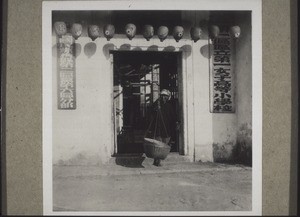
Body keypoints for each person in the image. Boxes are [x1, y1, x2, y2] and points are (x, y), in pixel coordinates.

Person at [147, 89, 180, 166]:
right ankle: (157, 160)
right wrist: (156, 108)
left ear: (168, 97)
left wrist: (177, 122)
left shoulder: (169, 106)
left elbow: (173, 116)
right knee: (158, 145)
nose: (163, 98)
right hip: (158, 128)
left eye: (165, 96)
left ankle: (159, 159)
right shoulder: (156, 104)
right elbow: (150, 113)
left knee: (164, 144)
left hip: (167, 129)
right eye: (162, 96)